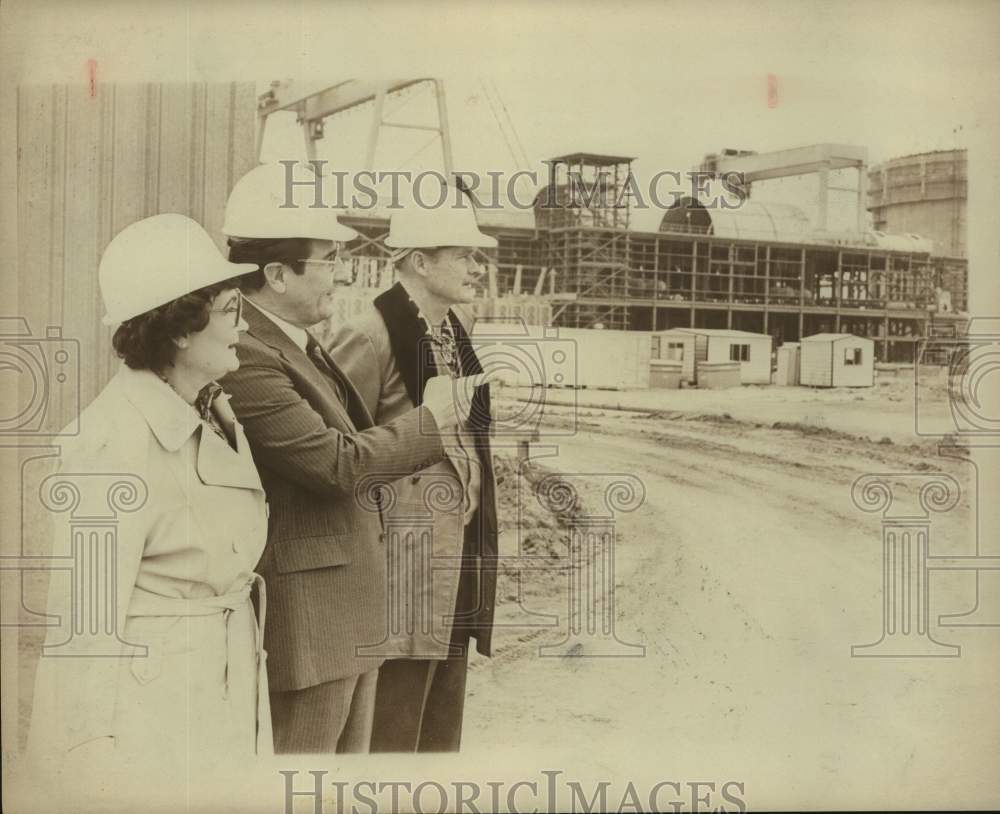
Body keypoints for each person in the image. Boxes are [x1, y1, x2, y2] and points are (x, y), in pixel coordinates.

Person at [218, 163, 468, 754]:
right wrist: (434, 420)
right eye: (330, 260)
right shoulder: (250, 353)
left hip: (347, 611)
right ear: (277, 273)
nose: (344, 273)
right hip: (311, 623)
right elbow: (336, 464)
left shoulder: (292, 342)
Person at [28, 214, 271, 772]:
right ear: (181, 327)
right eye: (233, 311)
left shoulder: (212, 412)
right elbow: (84, 625)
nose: (247, 327)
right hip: (152, 715)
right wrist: (86, 754)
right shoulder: (108, 444)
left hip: (220, 687)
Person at [326, 187, 499, 752]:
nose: (479, 267)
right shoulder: (369, 334)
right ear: (420, 262)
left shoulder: (452, 334)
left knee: (438, 728)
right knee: (392, 730)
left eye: (478, 256)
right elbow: (341, 456)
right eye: (465, 256)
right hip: (400, 569)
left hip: (451, 558)